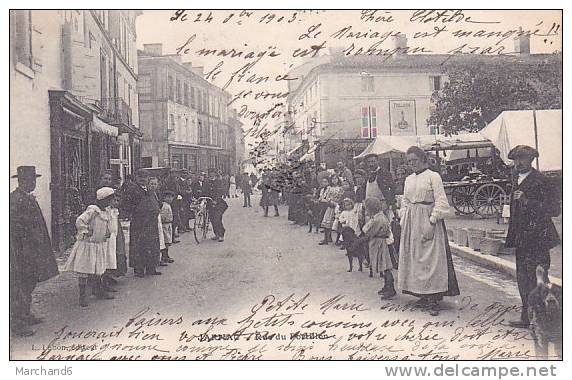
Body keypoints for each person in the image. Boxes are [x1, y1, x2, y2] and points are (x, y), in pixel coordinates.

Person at [398, 146, 460, 316]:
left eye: (415, 161)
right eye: (409, 162)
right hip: (411, 220)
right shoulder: (409, 179)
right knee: (416, 258)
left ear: (423, 159)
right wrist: (404, 216)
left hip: (428, 218)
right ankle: (422, 294)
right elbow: (404, 201)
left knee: (431, 259)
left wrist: (432, 220)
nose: (412, 164)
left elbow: (441, 201)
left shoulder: (434, 177)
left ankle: (434, 297)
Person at [504, 145, 561, 328]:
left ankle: (548, 318)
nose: (518, 163)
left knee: (539, 278)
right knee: (523, 278)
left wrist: (527, 202)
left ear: (532, 160)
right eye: (515, 159)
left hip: (539, 238)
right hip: (521, 237)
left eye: (522, 159)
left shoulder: (542, 181)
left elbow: (554, 210)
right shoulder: (514, 178)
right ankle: (527, 317)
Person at [10, 166, 59, 336]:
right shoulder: (15, 200)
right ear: (21, 181)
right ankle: (17, 323)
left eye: (34, 180)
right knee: (19, 286)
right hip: (21, 253)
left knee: (29, 283)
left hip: (33, 250)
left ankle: (25, 314)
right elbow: (14, 229)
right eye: (31, 180)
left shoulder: (28, 198)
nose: (33, 183)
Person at [64, 187, 116, 306]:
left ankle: (98, 290)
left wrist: (107, 232)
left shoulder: (106, 211)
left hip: (98, 245)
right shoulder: (92, 210)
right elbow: (80, 220)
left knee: (98, 268)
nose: (110, 203)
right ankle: (82, 296)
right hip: (87, 245)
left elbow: (107, 224)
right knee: (84, 270)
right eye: (109, 200)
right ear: (103, 199)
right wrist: (85, 231)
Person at [121, 169, 162, 277]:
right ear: (136, 178)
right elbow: (126, 205)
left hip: (151, 222)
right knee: (139, 245)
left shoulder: (150, 190)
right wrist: (134, 212)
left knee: (151, 244)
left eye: (145, 177)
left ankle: (151, 267)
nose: (143, 179)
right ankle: (139, 268)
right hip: (139, 222)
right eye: (140, 177)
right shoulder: (132, 190)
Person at [363, 198, 395, 299]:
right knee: (382, 266)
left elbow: (368, 231)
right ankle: (386, 286)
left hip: (380, 244)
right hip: (378, 242)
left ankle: (391, 289)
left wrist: (366, 228)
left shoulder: (378, 219)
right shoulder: (378, 216)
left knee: (385, 266)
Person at [203, 168, 228, 242]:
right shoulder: (206, 182)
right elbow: (204, 191)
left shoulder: (219, 182)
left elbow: (220, 192)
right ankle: (216, 234)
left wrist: (216, 200)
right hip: (210, 203)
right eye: (210, 173)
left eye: (212, 173)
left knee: (217, 218)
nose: (211, 174)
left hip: (219, 204)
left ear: (215, 174)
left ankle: (221, 234)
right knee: (212, 219)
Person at [319, 175, 344, 245]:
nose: (334, 180)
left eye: (336, 179)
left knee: (338, 223)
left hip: (337, 207)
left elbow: (341, 197)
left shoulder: (340, 188)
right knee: (327, 223)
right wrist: (328, 201)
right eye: (333, 179)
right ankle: (326, 239)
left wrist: (336, 203)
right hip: (330, 206)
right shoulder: (329, 188)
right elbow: (324, 197)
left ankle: (338, 240)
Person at [160, 191, 176, 265]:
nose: (170, 199)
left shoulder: (168, 205)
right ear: (164, 198)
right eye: (168, 197)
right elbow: (162, 217)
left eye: (171, 197)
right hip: (165, 225)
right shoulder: (165, 206)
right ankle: (163, 257)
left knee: (168, 240)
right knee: (165, 241)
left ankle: (166, 255)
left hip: (169, 224)